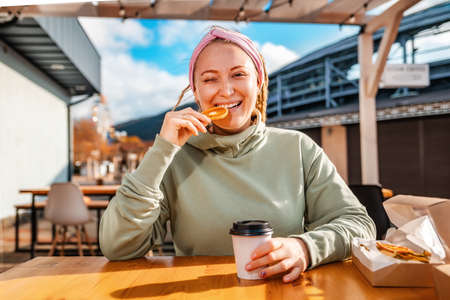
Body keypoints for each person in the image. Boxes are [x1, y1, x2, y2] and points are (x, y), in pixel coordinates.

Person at [100, 26, 376, 283]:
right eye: (210, 79)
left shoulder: (298, 148)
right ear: (196, 92)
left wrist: (305, 247)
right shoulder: (174, 159)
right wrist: (162, 149)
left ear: (260, 82)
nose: (226, 90)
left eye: (238, 74)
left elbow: (359, 225)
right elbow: (117, 247)